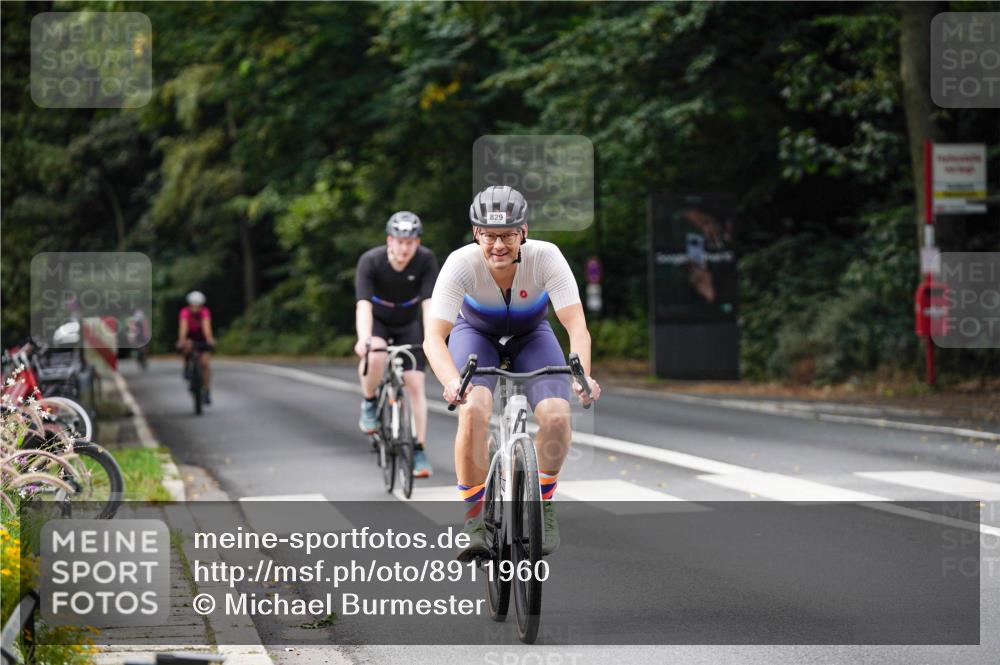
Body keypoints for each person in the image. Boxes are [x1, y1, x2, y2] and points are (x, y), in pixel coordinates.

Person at [423, 185, 602, 561]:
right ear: (476, 234)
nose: (498, 245)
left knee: (556, 416)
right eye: (489, 236)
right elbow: (434, 338)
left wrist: (581, 376)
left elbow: (576, 327)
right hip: (475, 336)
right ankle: (474, 518)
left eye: (507, 235)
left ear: (524, 231)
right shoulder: (460, 264)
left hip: (531, 336)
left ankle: (543, 502)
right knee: (473, 410)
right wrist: (451, 381)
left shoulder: (546, 257)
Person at [355, 211, 439, 478]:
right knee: (376, 356)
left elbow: (429, 305)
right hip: (379, 322)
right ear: (389, 240)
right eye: (399, 241)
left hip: (408, 324)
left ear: (417, 242)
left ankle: (418, 449)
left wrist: (431, 340)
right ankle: (369, 402)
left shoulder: (426, 260)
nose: (404, 248)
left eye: (410, 242)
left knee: (415, 383)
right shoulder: (371, 261)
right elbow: (363, 306)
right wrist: (364, 339)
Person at [176, 291, 216, 404]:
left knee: (205, 364)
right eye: (193, 305)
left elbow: (206, 327)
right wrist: (181, 340)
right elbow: (183, 327)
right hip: (190, 337)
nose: (195, 308)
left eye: (198, 306)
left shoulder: (205, 312)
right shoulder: (184, 312)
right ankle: (186, 367)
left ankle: (207, 390)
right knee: (186, 346)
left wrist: (209, 339)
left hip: (202, 337)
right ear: (189, 305)